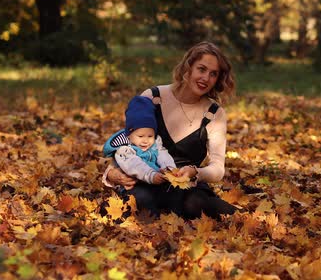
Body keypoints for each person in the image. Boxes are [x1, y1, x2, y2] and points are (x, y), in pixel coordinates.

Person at [102, 41, 238, 220]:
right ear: (188, 67)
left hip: (185, 186)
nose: (206, 78)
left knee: (199, 206)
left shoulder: (214, 114)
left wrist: (195, 172)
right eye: (201, 69)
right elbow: (127, 143)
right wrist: (111, 174)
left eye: (213, 74)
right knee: (139, 204)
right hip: (145, 180)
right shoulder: (152, 97)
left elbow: (218, 169)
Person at [103, 96, 176, 185]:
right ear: (129, 135)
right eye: (140, 136)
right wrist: (151, 175)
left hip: (154, 178)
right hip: (133, 183)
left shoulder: (155, 144)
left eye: (150, 136)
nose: (145, 140)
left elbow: (162, 154)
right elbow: (134, 164)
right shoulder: (124, 150)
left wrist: (169, 168)